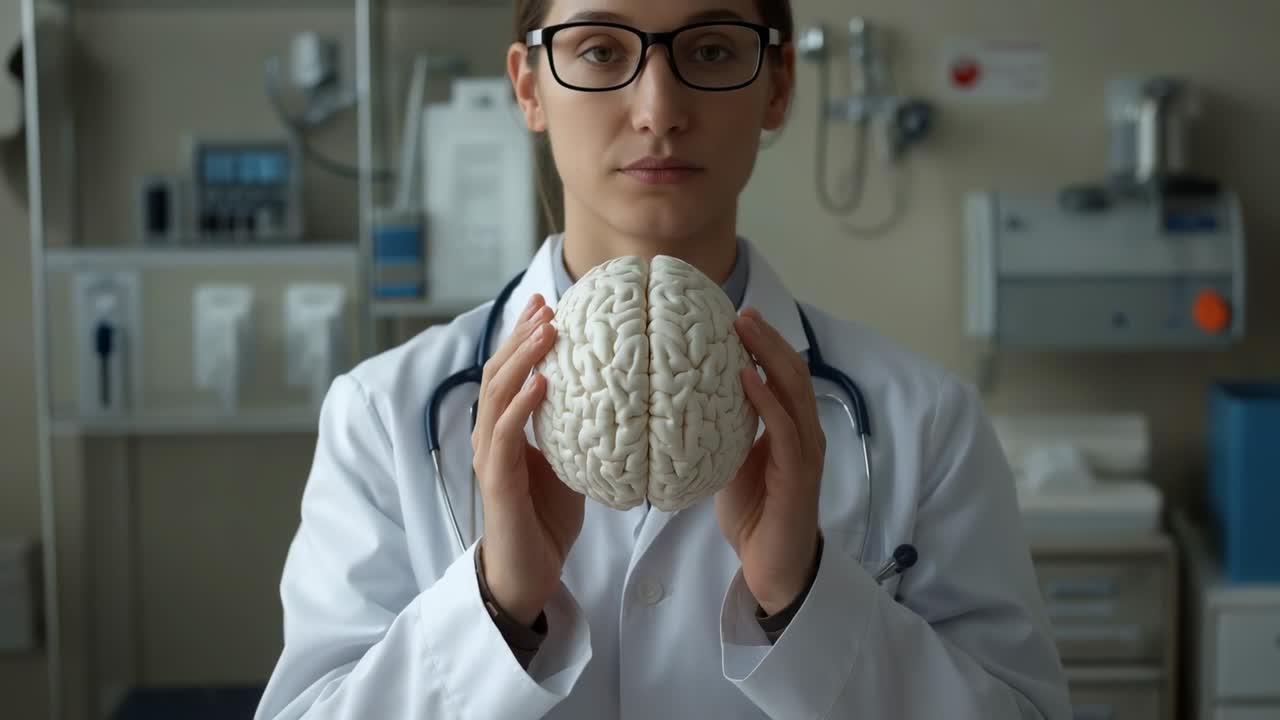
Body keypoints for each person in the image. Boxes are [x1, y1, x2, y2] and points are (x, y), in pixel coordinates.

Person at [256, 0, 1072, 717]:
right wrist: (497, 610)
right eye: (601, 51)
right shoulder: (383, 414)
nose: (659, 108)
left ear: (778, 83)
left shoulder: (925, 420)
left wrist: (806, 600)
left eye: (712, 50)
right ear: (530, 85)